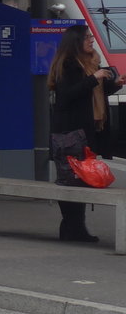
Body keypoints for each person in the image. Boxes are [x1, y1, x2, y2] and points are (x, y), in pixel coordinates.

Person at [47, 24, 124, 242]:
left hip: (84, 131)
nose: (91, 40)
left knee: (81, 178)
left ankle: (75, 228)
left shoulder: (91, 63)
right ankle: (72, 228)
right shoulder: (68, 64)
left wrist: (114, 85)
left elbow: (92, 94)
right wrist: (94, 77)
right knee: (72, 179)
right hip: (69, 134)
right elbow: (67, 95)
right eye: (87, 37)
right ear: (75, 42)